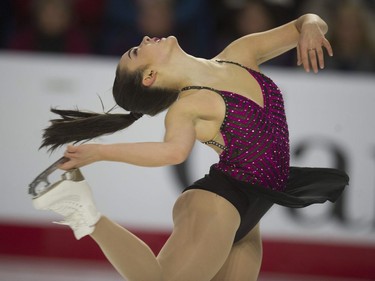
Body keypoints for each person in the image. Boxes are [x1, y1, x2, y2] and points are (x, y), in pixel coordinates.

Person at [33, 13, 349, 281]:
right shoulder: (188, 105)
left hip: (253, 210)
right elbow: (172, 151)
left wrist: (309, 26)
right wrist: (100, 152)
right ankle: (86, 214)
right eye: (135, 51)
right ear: (150, 76)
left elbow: (307, 22)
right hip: (217, 204)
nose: (143, 39)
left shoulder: (241, 53)